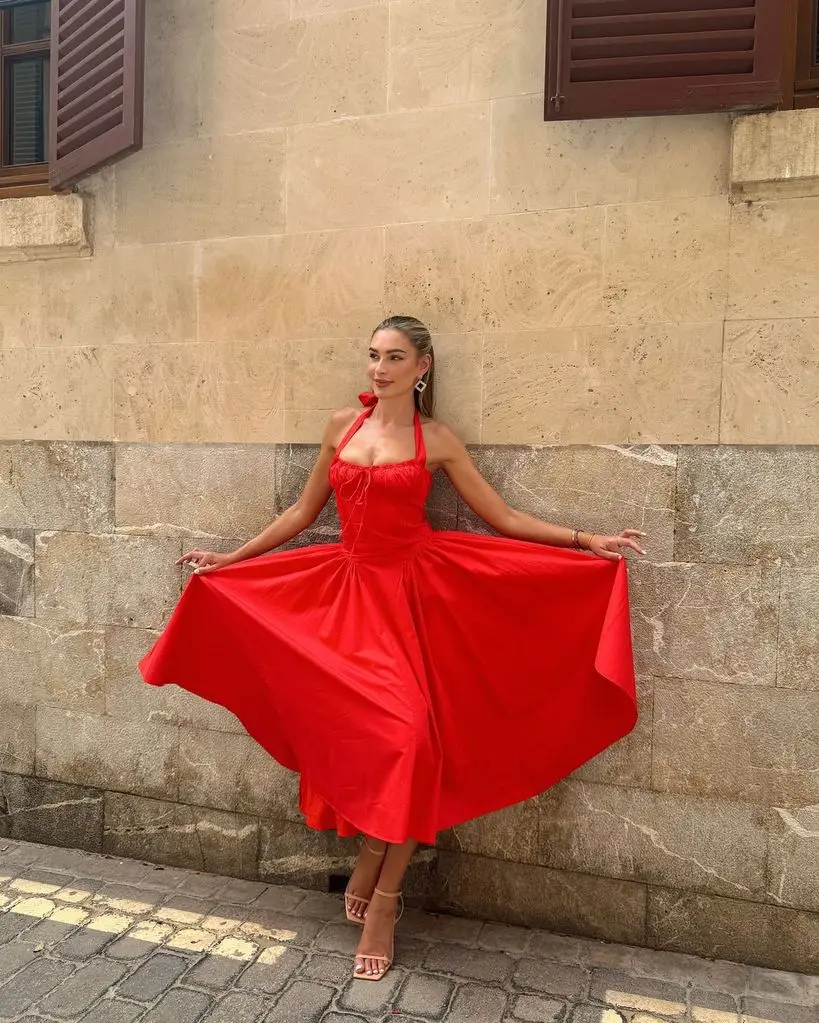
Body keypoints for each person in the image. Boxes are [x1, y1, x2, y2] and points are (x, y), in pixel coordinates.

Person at [139, 314, 646, 982]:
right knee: (380, 742)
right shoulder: (338, 428)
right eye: (373, 356)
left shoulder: (435, 439)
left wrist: (586, 541)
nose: (379, 368)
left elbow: (502, 518)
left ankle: (383, 894)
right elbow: (300, 513)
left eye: (394, 357)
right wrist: (231, 557)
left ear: (422, 365)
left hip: (416, 601)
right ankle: (376, 856)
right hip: (344, 599)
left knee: (414, 744)